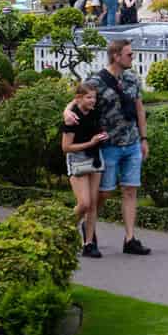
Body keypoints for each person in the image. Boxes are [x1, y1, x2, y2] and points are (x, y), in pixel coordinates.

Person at [92, 38, 151, 255]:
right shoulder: (97, 81)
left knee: (130, 190)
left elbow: (140, 109)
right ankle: (90, 230)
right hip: (109, 146)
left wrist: (144, 138)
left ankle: (129, 238)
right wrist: (68, 112)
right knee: (104, 192)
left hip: (132, 143)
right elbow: (81, 102)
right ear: (116, 56)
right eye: (129, 54)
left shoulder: (131, 78)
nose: (132, 57)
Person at [60, 81, 108, 257]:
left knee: (93, 204)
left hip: (95, 158)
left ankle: (89, 244)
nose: (93, 100)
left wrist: (103, 136)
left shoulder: (95, 112)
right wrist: (91, 142)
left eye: (94, 97)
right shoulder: (71, 118)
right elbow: (66, 147)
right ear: (79, 98)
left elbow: (98, 129)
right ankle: (64, 229)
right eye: (89, 97)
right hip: (78, 160)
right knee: (84, 203)